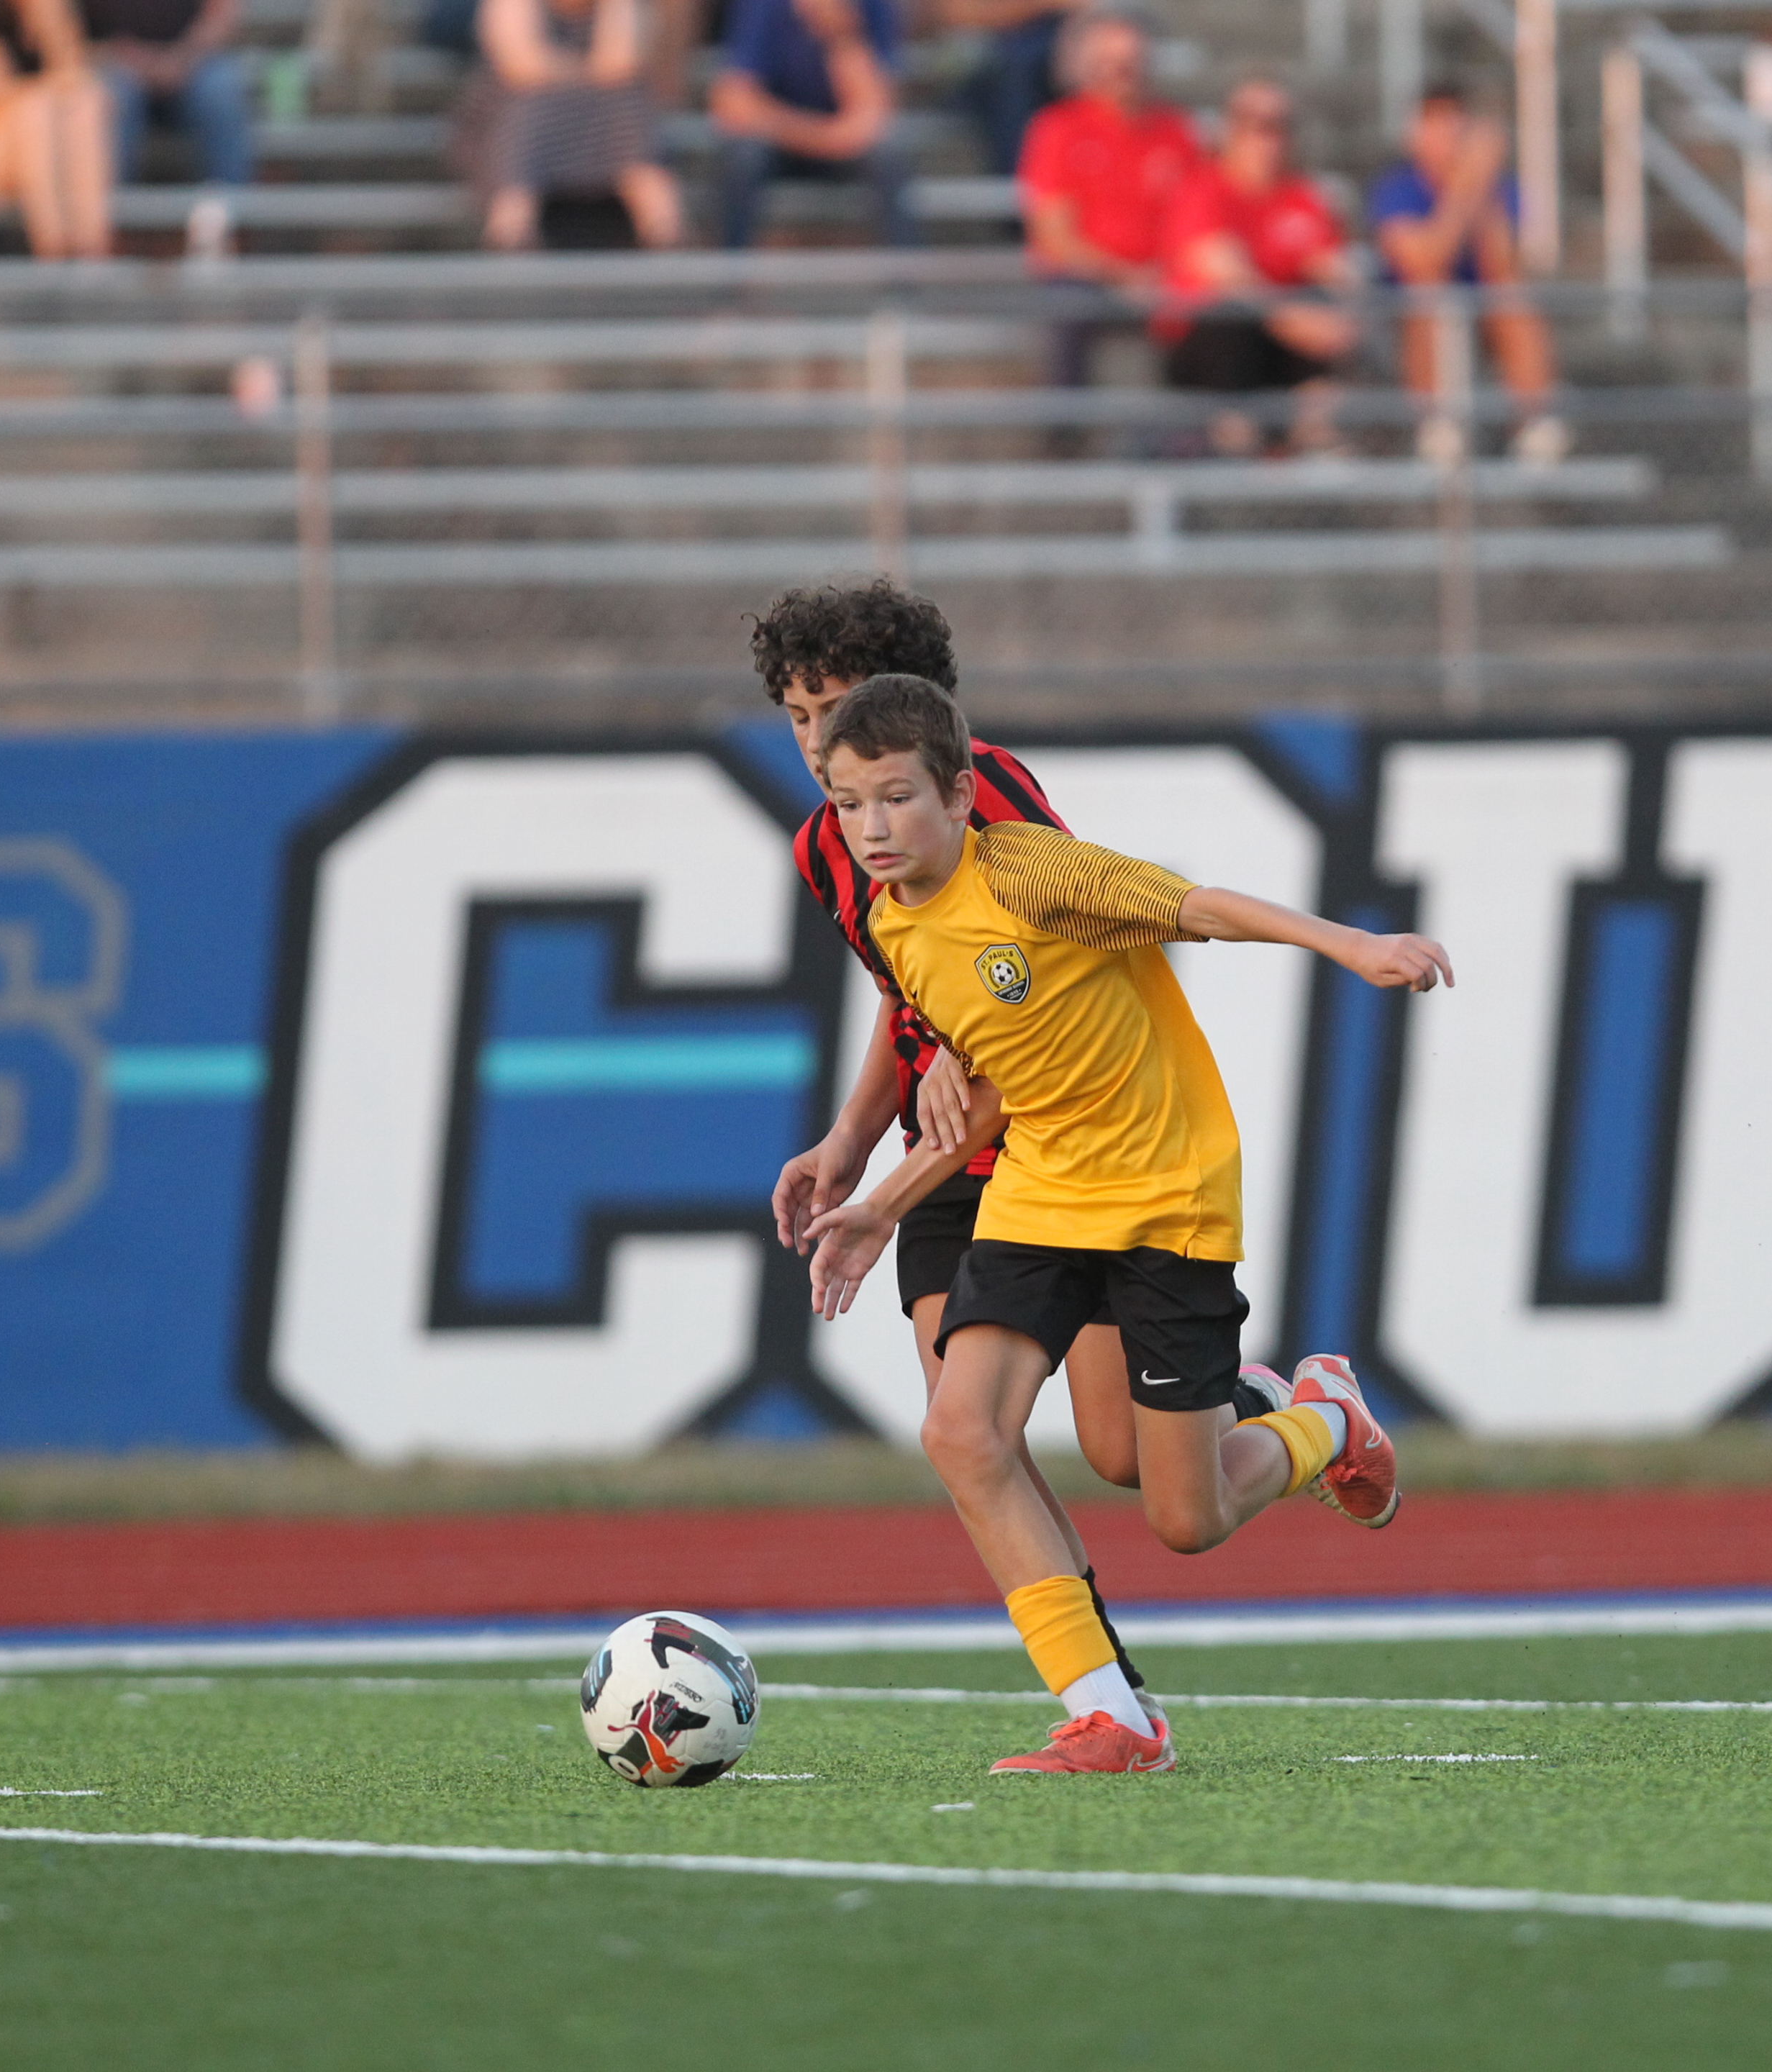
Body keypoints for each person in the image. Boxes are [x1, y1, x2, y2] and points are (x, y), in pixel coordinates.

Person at [802, 675, 1445, 1774]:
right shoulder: (894, 928)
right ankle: (1115, 1718)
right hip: (1041, 1194)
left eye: (897, 798)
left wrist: (1354, 946)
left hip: (1164, 1194)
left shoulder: (1035, 875)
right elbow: (999, 1091)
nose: (872, 828)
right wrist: (877, 1207)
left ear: (959, 797)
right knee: (962, 1432)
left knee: (1187, 1519)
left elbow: (1200, 907)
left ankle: (1326, 1421)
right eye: (848, 803)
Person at [757, 583, 1183, 1751]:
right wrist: (850, 1142)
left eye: (838, 706)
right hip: (942, 1161)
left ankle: (1301, 1415)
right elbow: (906, 992)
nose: (819, 739)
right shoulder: (829, 841)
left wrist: (969, 1039)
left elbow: (1059, 939)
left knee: (1123, 1451)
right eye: (798, 716)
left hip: (1054, 1140)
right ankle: (1111, 1703)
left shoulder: (979, 787)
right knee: (969, 1434)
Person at [1155, 73, 1358, 458]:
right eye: (1256, 124)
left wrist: (1339, 315)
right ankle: (1236, 447)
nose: (1270, 138)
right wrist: (1300, 321)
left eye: (1281, 125)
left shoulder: (1302, 196)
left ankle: (1315, 442)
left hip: (1283, 343)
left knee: (1325, 308)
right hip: (1210, 350)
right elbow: (1227, 277)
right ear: (1231, 129)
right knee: (1232, 318)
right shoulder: (1202, 191)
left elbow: (1337, 270)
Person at [1368, 80, 1569, 465]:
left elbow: (1505, 265)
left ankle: (1533, 424)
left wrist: (1483, 190)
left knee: (1514, 297)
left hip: (1484, 314)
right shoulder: (1397, 189)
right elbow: (1425, 259)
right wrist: (1464, 188)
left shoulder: (1501, 189)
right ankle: (1437, 425)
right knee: (1430, 294)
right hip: (1414, 321)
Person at [1017, 6, 1201, 401]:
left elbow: (1197, 219)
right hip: (1091, 279)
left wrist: (1165, 275)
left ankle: (1197, 429)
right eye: (1111, 63)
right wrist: (1128, 278)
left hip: (1165, 278)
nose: (1122, 73)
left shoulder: (1176, 130)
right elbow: (1056, 238)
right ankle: (1066, 426)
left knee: (1222, 306)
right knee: (1069, 301)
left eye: (1131, 62)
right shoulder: (1058, 129)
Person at [458, 0, 681, 249]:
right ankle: (512, 226)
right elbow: (524, 67)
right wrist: (586, 75)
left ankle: (662, 228)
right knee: (535, 106)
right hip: (514, 118)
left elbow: (622, 61)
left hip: (602, 112)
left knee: (625, 102)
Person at [709, 0, 914, 248]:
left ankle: (906, 267)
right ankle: (732, 265)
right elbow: (733, 103)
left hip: (841, 149)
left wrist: (842, 39)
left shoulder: (875, 6)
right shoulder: (763, 6)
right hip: (784, 146)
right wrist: (820, 135)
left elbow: (874, 116)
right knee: (745, 157)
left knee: (887, 157)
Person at [0, 0, 114, 259]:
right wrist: (53, 91)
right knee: (35, 110)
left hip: (49, 144)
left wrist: (51, 23)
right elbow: (1, 100)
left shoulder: (52, 19)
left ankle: (92, 247)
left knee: (87, 103)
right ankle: (52, 247)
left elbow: (78, 79)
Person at [80, 0, 252, 197]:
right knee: (108, 96)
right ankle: (108, 207)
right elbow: (73, 29)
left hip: (192, 61)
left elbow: (222, 13)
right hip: (116, 64)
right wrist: (137, 61)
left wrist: (181, 59)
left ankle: (228, 204)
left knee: (221, 88)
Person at [940, 0, 1073, 172]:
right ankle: (1018, 172)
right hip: (989, 56)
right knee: (1014, 78)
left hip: (1060, 44)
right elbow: (956, 14)